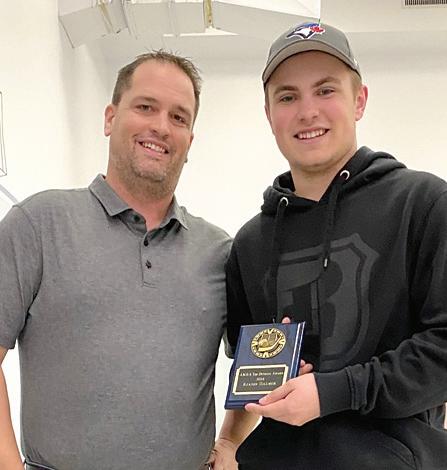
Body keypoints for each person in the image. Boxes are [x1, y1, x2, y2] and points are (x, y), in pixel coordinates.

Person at [210, 21, 447, 469]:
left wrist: (333, 392)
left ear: (359, 100)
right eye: (287, 97)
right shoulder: (250, 244)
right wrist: (228, 441)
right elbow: (250, 369)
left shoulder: (424, 204)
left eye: (325, 90)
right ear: (269, 115)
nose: (307, 111)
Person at [0, 51, 231, 470]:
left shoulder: (220, 252)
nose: (161, 126)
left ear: (189, 142)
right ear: (110, 118)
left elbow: (259, 362)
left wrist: (231, 438)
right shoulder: (38, 224)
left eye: (179, 117)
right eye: (145, 107)